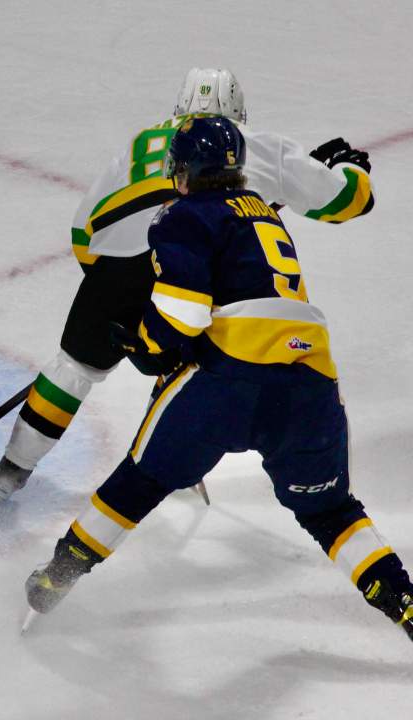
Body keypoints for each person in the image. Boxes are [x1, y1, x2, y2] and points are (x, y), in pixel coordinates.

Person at [21, 116, 413, 644]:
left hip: (225, 378)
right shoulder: (266, 216)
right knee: (332, 512)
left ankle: (56, 578)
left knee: (142, 482)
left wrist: (143, 341)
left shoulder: (179, 215)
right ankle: (404, 603)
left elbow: (181, 315)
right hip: (308, 376)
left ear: (182, 172)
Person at [0, 68, 375, 517]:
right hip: (195, 273)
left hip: (114, 267)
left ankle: (6, 479)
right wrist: (349, 166)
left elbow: (83, 230)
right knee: (194, 349)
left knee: (74, 367)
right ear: (236, 114)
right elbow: (348, 202)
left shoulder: (141, 144)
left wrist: (109, 289)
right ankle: (164, 462)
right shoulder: (250, 142)